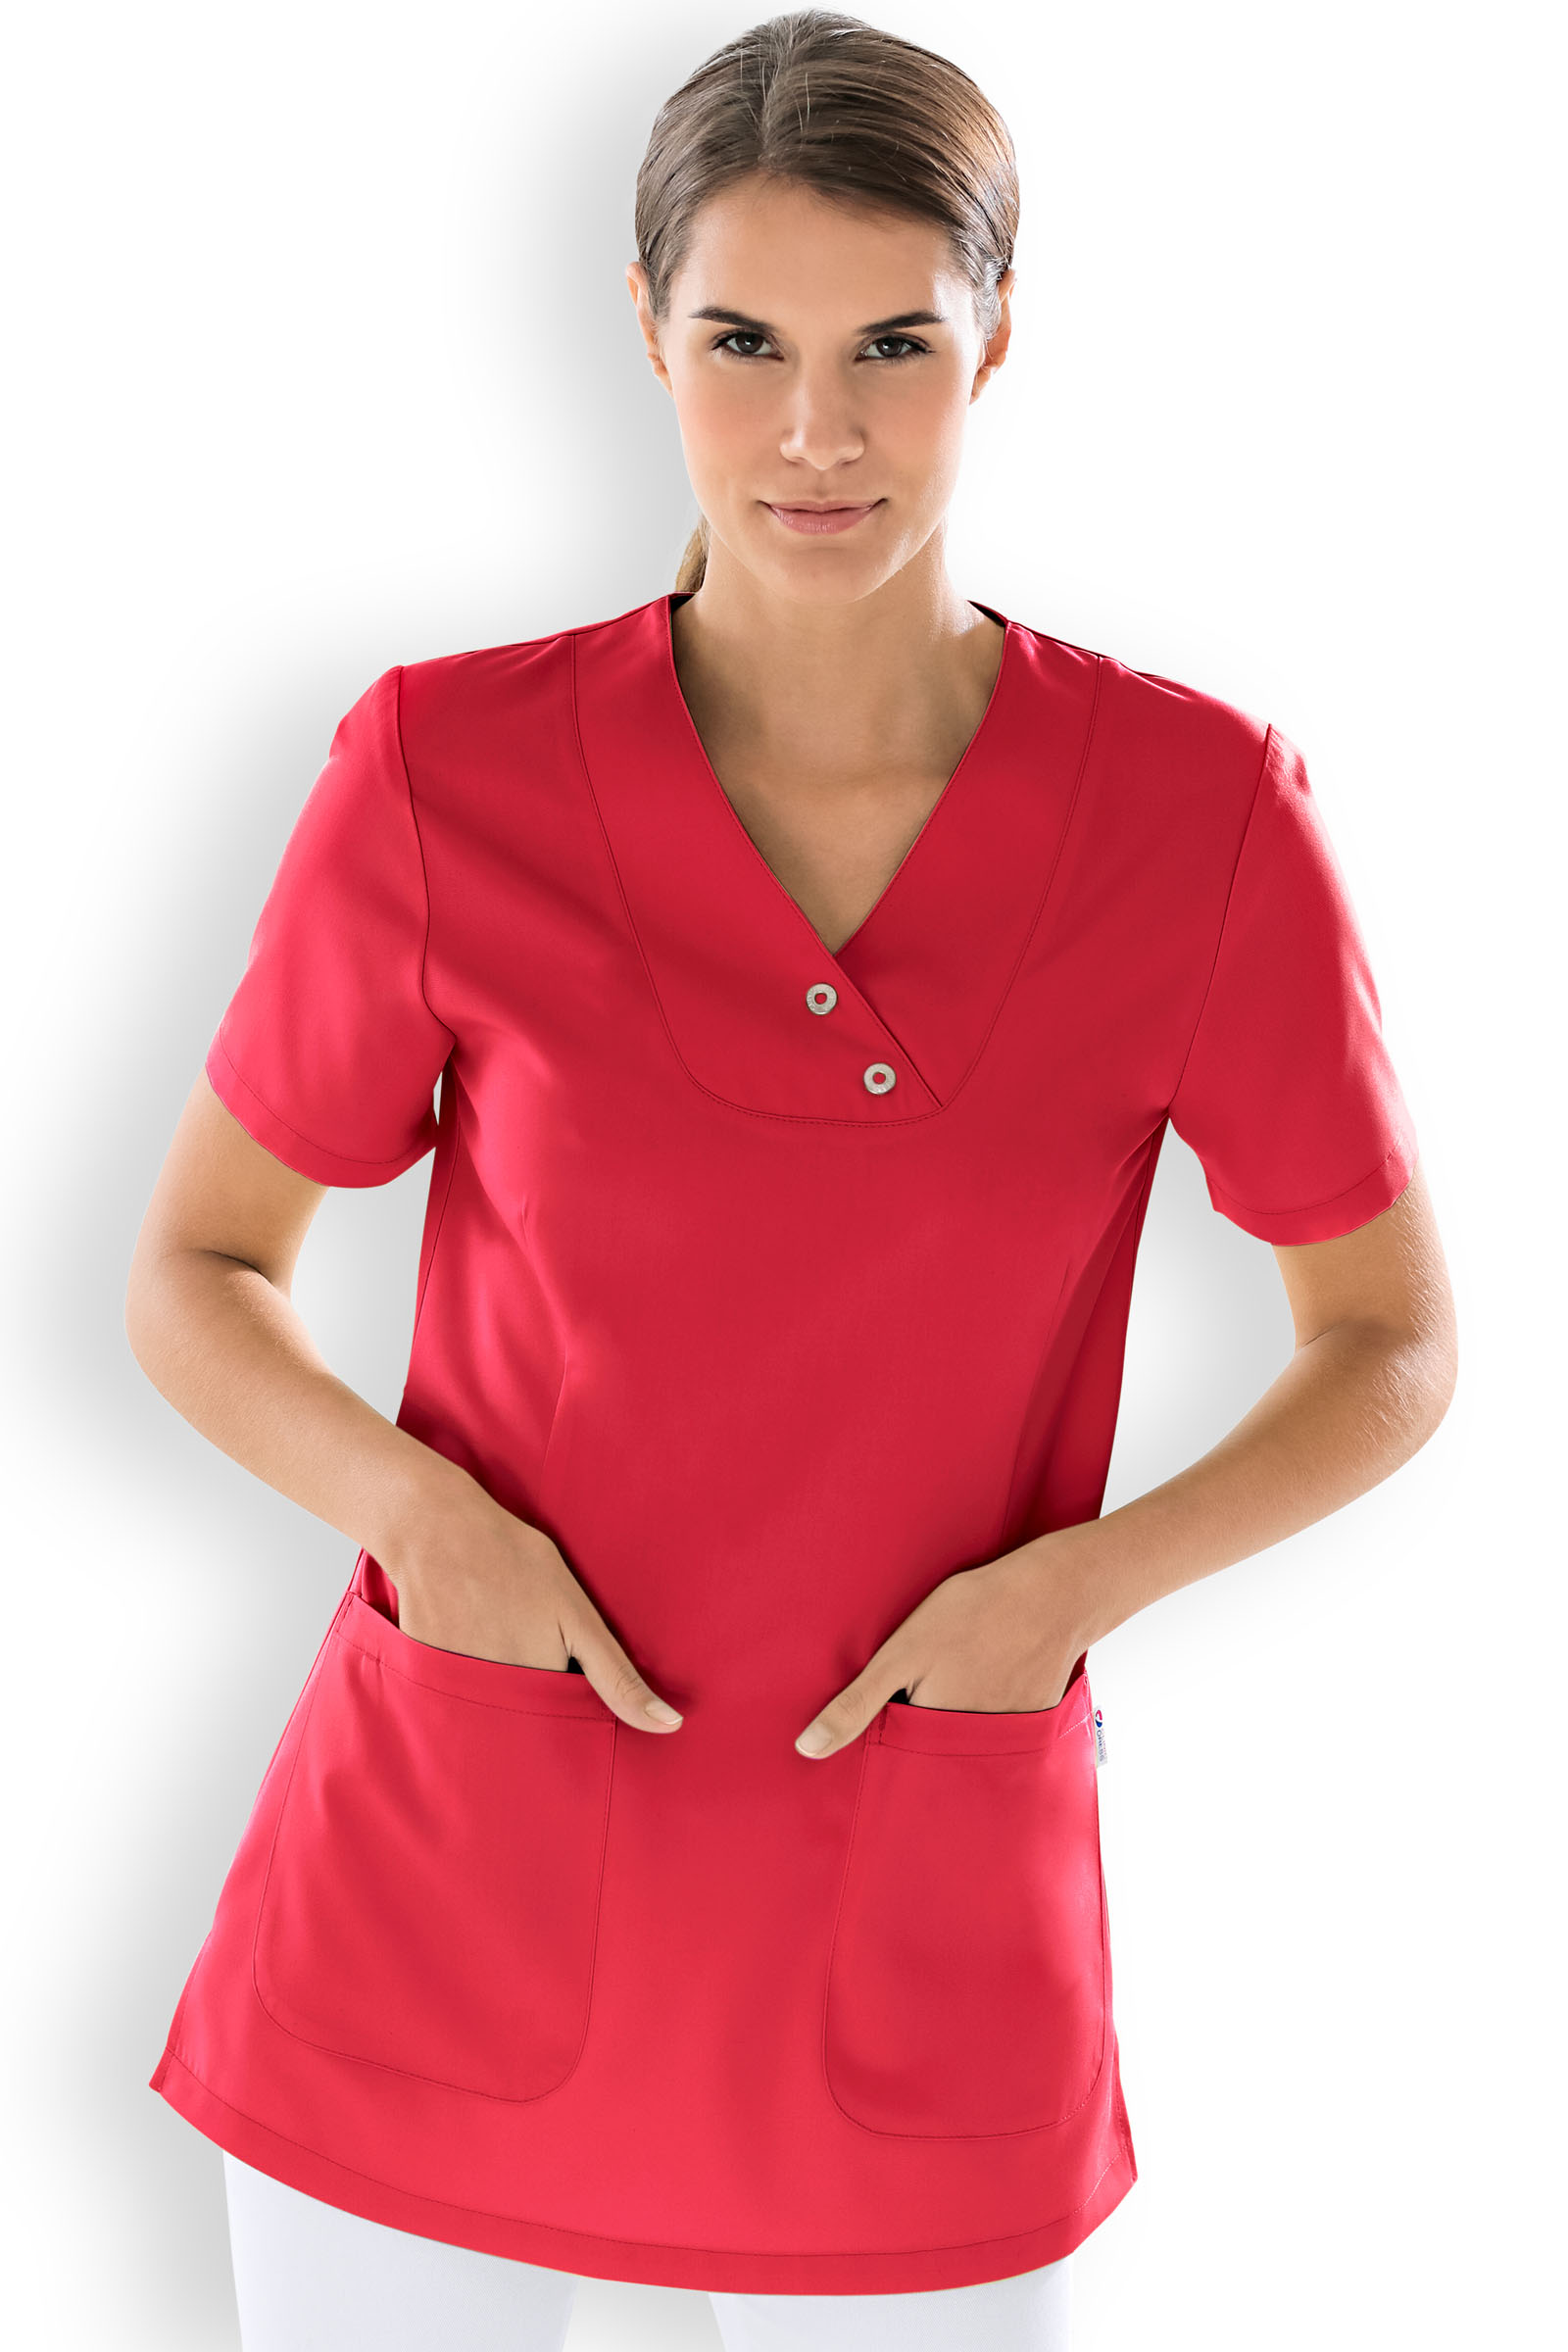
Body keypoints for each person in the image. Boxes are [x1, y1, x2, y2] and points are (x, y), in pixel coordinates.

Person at [126, 11, 1457, 2349]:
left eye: (890, 349)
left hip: (914, 1907)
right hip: (444, 1875)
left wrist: (1071, 1596)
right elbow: (199, 1269)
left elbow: (1387, 1342)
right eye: (742, 342)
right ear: (645, 330)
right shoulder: (444, 769)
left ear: (995, 340)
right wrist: (422, 1524)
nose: (815, 433)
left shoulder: (1194, 818)